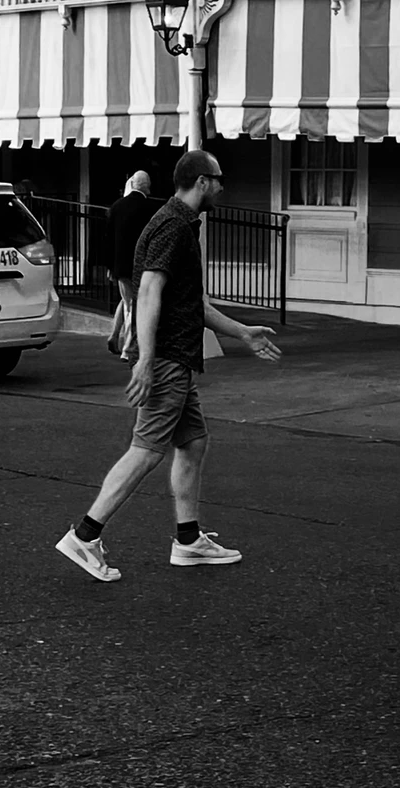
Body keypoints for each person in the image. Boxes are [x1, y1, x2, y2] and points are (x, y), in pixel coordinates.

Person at [55, 149, 282, 582]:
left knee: (193, 442)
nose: (222, 186)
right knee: (145, 450)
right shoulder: (172, 226)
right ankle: (85, 536)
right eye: (218, 179)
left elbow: (190, 302)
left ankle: (188, 540)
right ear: (201, 181)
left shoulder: (179, 224)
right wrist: (144, 359)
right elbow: (148, 292)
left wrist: (242, 333)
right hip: (166, 360)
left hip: (176, 358)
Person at [106, 171, 154, 358]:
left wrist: (110, 266)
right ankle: (128, 348)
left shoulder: (116, 207)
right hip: (141, 265)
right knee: (136, 306)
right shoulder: (150, 208)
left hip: (120, 266)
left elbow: (108, 239)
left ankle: (115, 335)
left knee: (127, 302)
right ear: (147, 186)